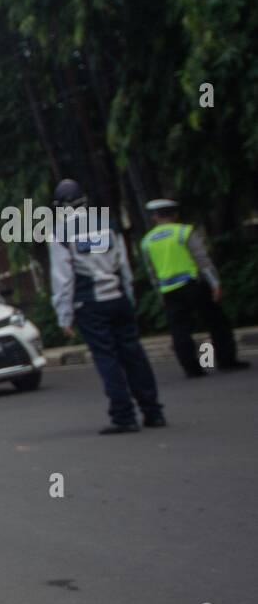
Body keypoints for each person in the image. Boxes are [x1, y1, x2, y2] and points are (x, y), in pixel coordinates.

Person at [48, 179, 165, 434]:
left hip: (90, 305)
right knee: (134, 355)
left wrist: (64, 316)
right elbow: (123, 267)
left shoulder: (59, 233)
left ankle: (124, 417)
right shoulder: (106, 224)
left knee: (107, 359)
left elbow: (63, 279)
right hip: (119, 300)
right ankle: (153, 412)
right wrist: (129, 299)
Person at [140, 199, 249, 376]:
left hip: (169, 290)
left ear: (154, 217)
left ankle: (191, 368)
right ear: (174, 215)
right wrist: (215, 284)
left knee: (179, 331)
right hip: (193, 285)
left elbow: (151, 272)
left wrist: (160, 294)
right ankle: (227, 360)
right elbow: (202, 260)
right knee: (216, 322)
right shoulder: (183, 232)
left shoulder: (147, 241)